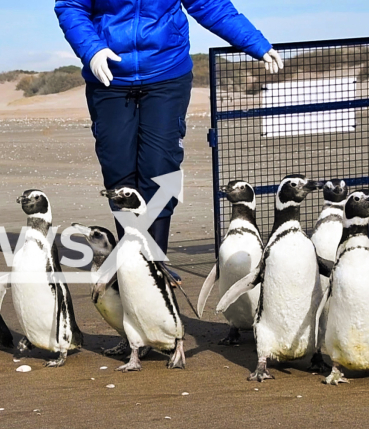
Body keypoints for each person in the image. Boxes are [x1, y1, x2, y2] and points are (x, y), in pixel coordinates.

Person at [55, 0, 282, 282]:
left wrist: (255, 43)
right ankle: (131, 264)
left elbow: (210, 5)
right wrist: (92, 49)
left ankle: (155, 263)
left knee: (161, 167)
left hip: (166, 73)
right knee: (118, 170)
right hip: (110, 77)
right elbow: (71, 6)